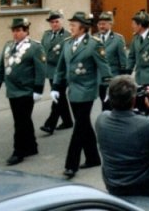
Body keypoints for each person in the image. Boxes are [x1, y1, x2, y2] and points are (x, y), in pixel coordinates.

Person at [52, 12, 112, 179]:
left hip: (87, 90)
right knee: (84, 124)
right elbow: (60, 68)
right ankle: (93, 158)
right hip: (72, 90)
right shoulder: (67, 43)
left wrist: (107, 86)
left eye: (73, 25)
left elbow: (104, 67)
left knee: (79, 127)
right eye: (70, 25)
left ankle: (71, 165)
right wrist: (56, 86)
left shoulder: (93, 44)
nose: (70, 27)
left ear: (83, 27)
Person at [96, 75, 149, 197]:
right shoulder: (148, 125)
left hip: (115, 186)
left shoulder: (101, 120)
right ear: (133, 100)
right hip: (146, 187)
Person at [0, 18, 46, 165]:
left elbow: (40, 69)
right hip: (12, 90)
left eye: (19, 30)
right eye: (13, 31)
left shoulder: (35, 47)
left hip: (26, 90)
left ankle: (18, 151)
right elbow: (1, 66)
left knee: (20, 122)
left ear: (26, 31)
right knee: (23, 120)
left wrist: (38, 89)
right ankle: (32, 146)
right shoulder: (8, 46)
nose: (15, 33)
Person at [40, 10, 73, 135]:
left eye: (57, 21)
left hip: (62, 71)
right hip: (50, 70)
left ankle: (50, 124)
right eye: (52, 22)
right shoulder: (46, 35)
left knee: (58, 96)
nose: (54, 24)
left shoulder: (67, 36)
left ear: (61, 21)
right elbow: (42, 51)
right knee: (61, 96)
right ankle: (68, 121)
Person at [96, 11, 128, 111]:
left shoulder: (118, 39)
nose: (101, 26)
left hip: (113, 78)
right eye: (99, 24)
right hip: (99, 78)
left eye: (104, 24)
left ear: (110, 24)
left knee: (110, 104)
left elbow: (123, 61)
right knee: (103, 100)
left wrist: (123, 79)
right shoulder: (94, 38)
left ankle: (109, 123)